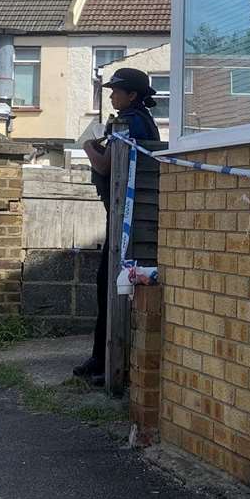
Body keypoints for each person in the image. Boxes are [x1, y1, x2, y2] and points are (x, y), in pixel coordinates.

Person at [73, 67, 161, 384]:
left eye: (116, 91)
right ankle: (103, 360)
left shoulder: (131, 122)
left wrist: (87, 146)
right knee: (109, 286)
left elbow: (107, 165)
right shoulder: (138, 120)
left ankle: (105, 362)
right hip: (129, 216)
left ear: (132, 95)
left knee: (110, 287)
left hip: (129, 219)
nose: (111, 96)